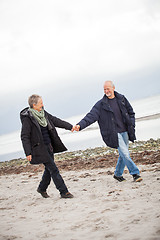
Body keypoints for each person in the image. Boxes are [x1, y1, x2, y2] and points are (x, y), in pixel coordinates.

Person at [73, 81, 142, 182]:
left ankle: (118, 174)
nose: (106, 91)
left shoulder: (121, 99)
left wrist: (132, 125)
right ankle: (135, 174)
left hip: (125, 131)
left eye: (108, 88)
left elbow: (131, 113)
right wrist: (80, 125)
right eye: (104, 89)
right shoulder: (101, 105)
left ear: (113, 88)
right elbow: (90, 116)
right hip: (113, 133)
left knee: (123, 154)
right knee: (125, 154)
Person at [20, 94, 74, 198]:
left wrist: (70, 126)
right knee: (53, 169)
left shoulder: (43, 113)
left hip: (49, 146)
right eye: (40, 103)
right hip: (39, 149)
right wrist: (28, 152)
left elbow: (56, 121)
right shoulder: (28, 118)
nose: (42, 105)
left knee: (49, 170)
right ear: (34, 105)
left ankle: (42, 188)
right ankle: (64, 192)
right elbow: (25, 136)